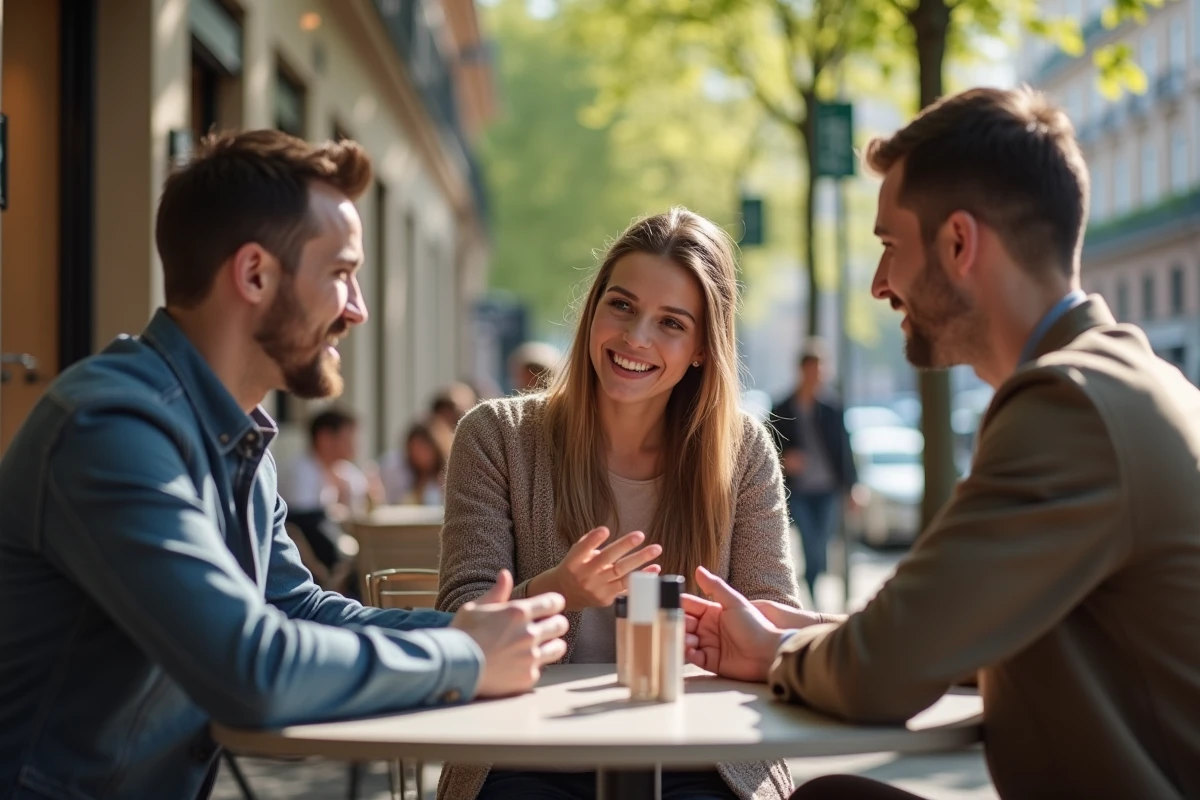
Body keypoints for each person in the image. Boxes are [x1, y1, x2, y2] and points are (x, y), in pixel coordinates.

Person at [0, 129, 569, 800]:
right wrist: (465, 656)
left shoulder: (234, 436)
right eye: (340, 274)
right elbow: (249, 670)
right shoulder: (109, 430)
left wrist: (471, 632)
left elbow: (298, 611)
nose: (357, 309)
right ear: (254, 274)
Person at [678, 87, 1200, 799]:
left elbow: (882, 674)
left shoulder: (1067, 406)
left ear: (959, 243)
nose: (878, 284)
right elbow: (959, 637)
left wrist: (777, 651)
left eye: (890, 246)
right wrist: (811, 631)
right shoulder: (1132, 381)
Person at [436, 208, 803, 800]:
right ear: (593, 309)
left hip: (702, 756)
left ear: (703, 348)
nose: (636, 338)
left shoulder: (742, 450)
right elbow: (461, 620)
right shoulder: (496, 436)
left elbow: (773, 620)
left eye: (671, 323)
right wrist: (559, 591)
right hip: (525, 754)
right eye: (622, 306)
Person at [768, 339, 857, 604]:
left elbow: (844, 448)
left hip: (828, 489)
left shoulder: (831, 408)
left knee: (822, 544)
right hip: (798, 490)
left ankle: (812, 582)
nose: (816, 376)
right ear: (802, 370)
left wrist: (852, 487)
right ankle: (812, 589)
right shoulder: (782, 408)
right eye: (812, 370)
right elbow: (768, 449)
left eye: (820, 371)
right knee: (809, 542)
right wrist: (785, 460)